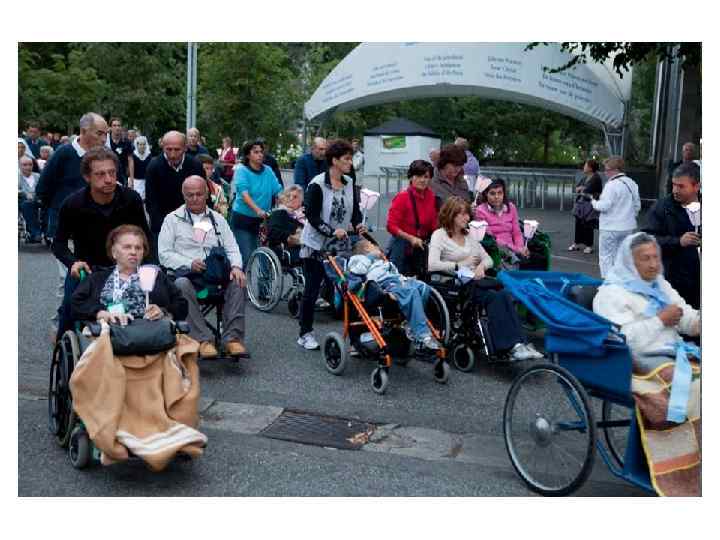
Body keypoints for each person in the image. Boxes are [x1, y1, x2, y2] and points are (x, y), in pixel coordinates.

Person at [592, 232, 700, 497]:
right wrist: (660, 320)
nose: (653, 264)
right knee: (695, 388)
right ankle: (682, 472)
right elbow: (621, 340)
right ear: (630, 262)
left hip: (672, 355)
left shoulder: (659, 284)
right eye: (645, 259)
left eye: (655, 257)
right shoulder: (610, 294)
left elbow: (685, 316)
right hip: (636, 363)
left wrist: (698, 322)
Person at [53, 146, 151, 340]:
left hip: (128, 267)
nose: (108, 179)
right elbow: (58, 244)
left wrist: (149, 266)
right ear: (87, 177)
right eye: (100, 174)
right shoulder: (73, 204)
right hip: (89, 270)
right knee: (71, 302)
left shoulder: (131, 199)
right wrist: (73, 263)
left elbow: (146, 238)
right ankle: (63, 340)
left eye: (112, 173)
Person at [428, 197, 543, 361]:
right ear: (451, 215)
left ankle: (519, 343)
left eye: (467, 214)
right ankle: (509, 346)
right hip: (455, 283)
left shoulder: (469, 235)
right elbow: (432, 265)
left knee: (504, 294)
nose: (467, 218)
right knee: (494, 297)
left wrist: (481, 267)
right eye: (462, 214)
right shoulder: (439, 235)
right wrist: (459, 265)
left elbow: (488, 259)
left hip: (474, 279)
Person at [158, 176, 249, 359]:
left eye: (199, 194)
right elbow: (164, 254)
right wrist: (189, 263)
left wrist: (236, 267)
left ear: (207, 194)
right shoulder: (172, 220)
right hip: (189, 280)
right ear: (183, 195)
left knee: (238, 281)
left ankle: (232, 339)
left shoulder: (218, 219)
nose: (194, 198)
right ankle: (202, 340)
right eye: (190, 195)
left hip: (214, 279)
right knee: (181, 284)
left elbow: (232, 247)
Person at [297, 139, 366, 350]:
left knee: (351, 289)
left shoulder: (349, 181)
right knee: (312, 290)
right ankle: (305, 333)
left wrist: (358, 224)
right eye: (346, 159)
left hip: (340, 244)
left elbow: (354, 210)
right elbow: (311, 216)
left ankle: (355, 339)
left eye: (351, 159)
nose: (350, 163)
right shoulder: (317, 184)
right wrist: (330, 230)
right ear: (334, 161)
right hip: (316, 245)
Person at [71, 224, 187, 325]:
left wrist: (163, 311)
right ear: (114, 252)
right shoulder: (97, 278)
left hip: (150, 332)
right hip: (109, 331)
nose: (133, 252)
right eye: (127, 247)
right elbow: (75, 303)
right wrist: (100, 313)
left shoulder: (156, 276)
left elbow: (181, 304)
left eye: (138, 248)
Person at [350, 240, 440, 350]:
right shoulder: (358, 260)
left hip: (397, 280)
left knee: (424, 287)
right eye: (372, 245)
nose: (375, 246)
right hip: (383, 284)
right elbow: (356, 271)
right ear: (366, 249)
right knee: (411, 291)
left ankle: (410, 322)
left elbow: (393, 272)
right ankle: (422, 333)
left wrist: (400, 275)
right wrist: (370, 257)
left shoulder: (379, 260)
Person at [36, 112, 109, 242]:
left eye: (106, 134)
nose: (104, 139)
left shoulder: (106, 156)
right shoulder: (63, 153)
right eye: (99, 133)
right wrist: (59, 208)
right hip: (65, 230)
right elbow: (43, 187)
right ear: (84, 131)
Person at [643, 162, 701, 309]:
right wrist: (678, 241)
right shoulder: (663, 207)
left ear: (696, 186)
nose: (675, 190)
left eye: (681, 186)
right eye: (674, 185)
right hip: (671, 281)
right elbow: (647, 239)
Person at [144, 130, 204, 255]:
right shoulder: (154, 166)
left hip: (191, 224)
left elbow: (203, 197)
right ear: (163, 147)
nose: (172, 154)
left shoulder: (195, 165)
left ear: (185, 148)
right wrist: (163, 227)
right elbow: (151, 201)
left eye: (177, 150)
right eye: (168, 149)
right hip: (162, 224)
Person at [230, 140, 282, 265]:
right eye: (256, 152)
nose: (260, 155)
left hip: (262, 222)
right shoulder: (242, 171)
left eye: (261, 152)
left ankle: (263, 278)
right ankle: (244, 277)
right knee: (248, 256)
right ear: (248, 155)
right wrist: (257, 210)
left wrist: (286, 204)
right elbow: (244, 194)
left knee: (266, 257)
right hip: (243, 220)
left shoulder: (268, 170)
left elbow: (278, 190)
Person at [589, 156, 641, 277]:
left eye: (607, 169)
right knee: (621, 257)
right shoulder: (632, 183)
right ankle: (620, 281)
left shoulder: (611, 185)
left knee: (606, 257)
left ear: (615, 170)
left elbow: (604, 206)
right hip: (627, 227)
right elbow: (637, 206)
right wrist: (629, 216)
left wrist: (593, 202)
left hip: (610, 227)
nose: (605, 172)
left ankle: (607, 282)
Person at [386, 159, 438, 275]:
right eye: (418, 176)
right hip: (401, 247)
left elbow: (433, 223)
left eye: (426, 177)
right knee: (397, 278)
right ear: (410, 177)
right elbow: (391, 226)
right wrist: (410, 238)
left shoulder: (431, 196)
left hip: (420, 247)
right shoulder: (402, 197)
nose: (422, 180)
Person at [475, 178, 532, 266]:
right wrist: (516, 249)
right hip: (495, 249)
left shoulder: (511, 207)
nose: (496, 197)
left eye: (500, 193)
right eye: (492, 193)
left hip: (513, 249)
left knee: (534, 257)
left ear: (503, 194)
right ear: (486, 194)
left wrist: (521, 248)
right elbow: (492, 238)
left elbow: (516, 232)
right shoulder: (480, 211)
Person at [569, 159, 603, 254]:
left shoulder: (596, 178)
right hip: (581, 203)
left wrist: (582, 189)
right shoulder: (585, 177)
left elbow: (588, 190)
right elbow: (577, 188)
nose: (584, 167)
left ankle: (589, 246)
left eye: (585, 166)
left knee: (588, 224)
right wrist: (581, 189)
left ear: (590, 168)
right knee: (578, 223)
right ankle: (577, 243)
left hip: (590, 204)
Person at [267, 185, 305, 265]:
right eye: (288, 196)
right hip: (286, 249)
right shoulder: (279, 213)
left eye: (295, 197)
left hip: (304, 247)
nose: (291, 198)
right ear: (283, 198)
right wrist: (288, 237)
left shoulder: (304, 215)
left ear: (301, 201)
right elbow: (272, 232)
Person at [18, 156, 42, 243]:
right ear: (19, 166)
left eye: (30, 164)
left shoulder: (38, 176)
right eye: (25, 165)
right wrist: (24, 193)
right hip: (24, 201)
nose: (28, 167)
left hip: (38, 200)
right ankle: (35, 233)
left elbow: (43, 188)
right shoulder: (17, 177)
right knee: (27, 204)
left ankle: (50, 232)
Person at [105, 117, 134, 187]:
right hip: (108, 174)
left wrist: (131, 179)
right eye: (114, 125)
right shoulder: (106, 141)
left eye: (119, 125)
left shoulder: (126, 142)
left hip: (122, 176)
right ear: (110, 128)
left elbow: (130, 160)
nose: (117, 128)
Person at [130, 135, 152, 201]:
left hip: (146, 181)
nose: (142, 146)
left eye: (144, 144)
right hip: (136, 181)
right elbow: (131, 169)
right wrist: (131, 182)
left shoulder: (149, 154)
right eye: (140, 144)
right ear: (137, 145)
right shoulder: (133, 155)